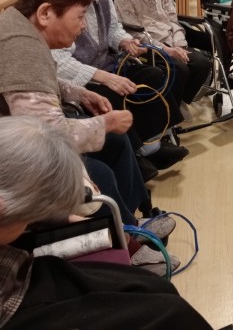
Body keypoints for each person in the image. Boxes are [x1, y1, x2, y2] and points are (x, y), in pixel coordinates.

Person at [0, 0, 178, 272]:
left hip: (18, 140)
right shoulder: (22, 49)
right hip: (15, 162)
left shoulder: (19, 28)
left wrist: (79, 93)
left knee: (117, 143)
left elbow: (43, 82)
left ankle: (129, 224)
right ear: (45, 13)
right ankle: (126, 248)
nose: (83, 26)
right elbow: (48, 139)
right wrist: (104, 123)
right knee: (98, 174)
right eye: (80, 16)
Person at [0, 115, 214, 330]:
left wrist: (66, 219)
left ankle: (133, 235)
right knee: (171, 313)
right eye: (29, 215)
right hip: (10, 304)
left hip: (18, 266)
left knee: (151, 285)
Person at [53, 0, 189, 172]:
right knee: (113, 93)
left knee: (153, 75)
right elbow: (58, 62)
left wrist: (125, 41)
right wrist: (105, 77)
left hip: (108, 65)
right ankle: (135, 157)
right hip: (82, 80)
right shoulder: (58, 8)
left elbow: (114, 29)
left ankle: (152, 145)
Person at [114, 0, 212, 113]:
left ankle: (177, 102)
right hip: (148, 48)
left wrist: (179, 45)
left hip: (172, 43)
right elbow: (135, 34)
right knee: (180, 69)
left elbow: (174, 22)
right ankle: (171, 109)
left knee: (202, 64)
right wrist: (167, 50)